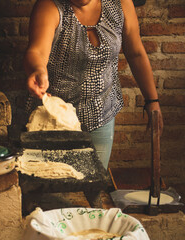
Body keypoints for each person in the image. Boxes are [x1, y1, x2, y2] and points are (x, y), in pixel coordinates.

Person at [23, 0, 163, 169]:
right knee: (54, 184)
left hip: (100, 114)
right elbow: (37, 51)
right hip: (53, 117)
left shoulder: (120, 4)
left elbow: (136, 54)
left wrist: (152, 101)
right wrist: (38, 69)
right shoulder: (50, 6)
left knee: (94, 183)